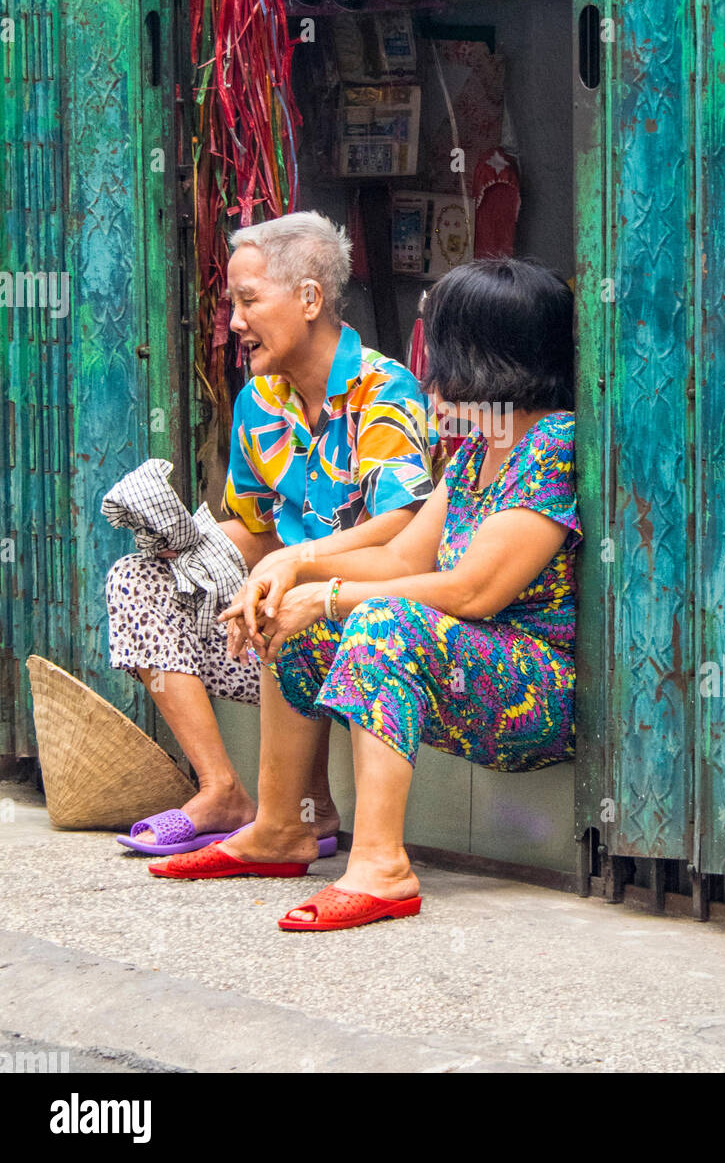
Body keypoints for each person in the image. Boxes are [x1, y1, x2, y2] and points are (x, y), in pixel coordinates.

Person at [149, 258, 579, 934]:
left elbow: (474, 590)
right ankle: (282, 828)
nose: (429, 355)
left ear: (481, 348)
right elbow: (403, 556)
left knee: (378, 619)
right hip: (476, 666)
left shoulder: (552, 444)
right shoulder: (477, 449)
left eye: (439, 337)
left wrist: (331, 597)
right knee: (293, 621)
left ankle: (382, 867)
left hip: (538, 689)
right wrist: (296, 568)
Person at [106, 211, 440, 851]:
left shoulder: (385, 391)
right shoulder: (258, 401)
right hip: (273, 614)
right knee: (139, 576)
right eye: (235, 302)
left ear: (310, 299)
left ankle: (309, 812)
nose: (235, 322)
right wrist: (187, 548)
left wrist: (297, 564)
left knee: (286, 596)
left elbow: (401, 523)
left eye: (249, 300)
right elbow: (257, 529)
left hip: (364, 615)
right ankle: (222, 791)